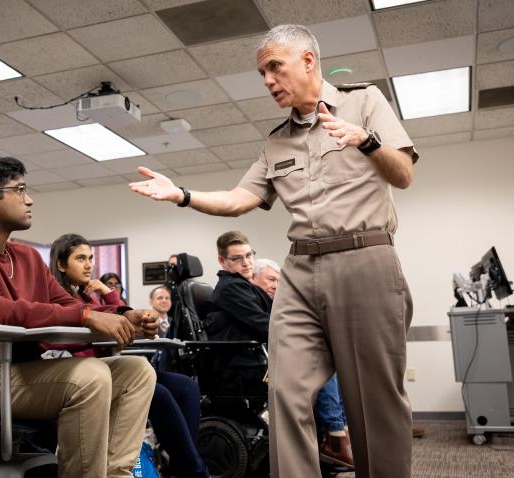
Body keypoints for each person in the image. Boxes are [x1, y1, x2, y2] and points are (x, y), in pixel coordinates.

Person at [130, 23, 416, 477]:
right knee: (285, 390)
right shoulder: (276, 140)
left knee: (373, 400)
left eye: (274, 68)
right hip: (301, 269)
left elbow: (402, 174)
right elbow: (239, 199)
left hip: (365, 258)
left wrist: (367, 140)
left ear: (308, 61)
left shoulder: (365, 102)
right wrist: (181, 194)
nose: (267, 81)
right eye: (262, 72)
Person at [0, 156, 158, 478]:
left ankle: (115, 474)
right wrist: (88, 315)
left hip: (23, 370)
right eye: (19, 190)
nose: (29, 198)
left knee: (137, 370)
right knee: (90, 375)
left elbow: (65, 302)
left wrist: (125, 314)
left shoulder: (25, 256)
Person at [50, 234, 209, 478]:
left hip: (110, 364)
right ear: (61, 264)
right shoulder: (56, 296)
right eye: (80, 258)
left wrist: (108, 292)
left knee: (187, 387)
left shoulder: (86, 295)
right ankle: (194, 470)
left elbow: (122, 316)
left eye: (90, 258)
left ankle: (180, 463)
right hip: (86, 371)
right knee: (160, 393)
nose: (89, 265)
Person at [249, 255, 353, 469]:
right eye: (270, 280)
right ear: (254, 278)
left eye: (278, 281)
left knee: (332, 363)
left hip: (277, 353)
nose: (275, 285)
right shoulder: (247, 297)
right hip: (257, 361)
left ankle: (340, 431)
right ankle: (336, 435)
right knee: (320, 363)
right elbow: (267, 329)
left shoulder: (271, 302)